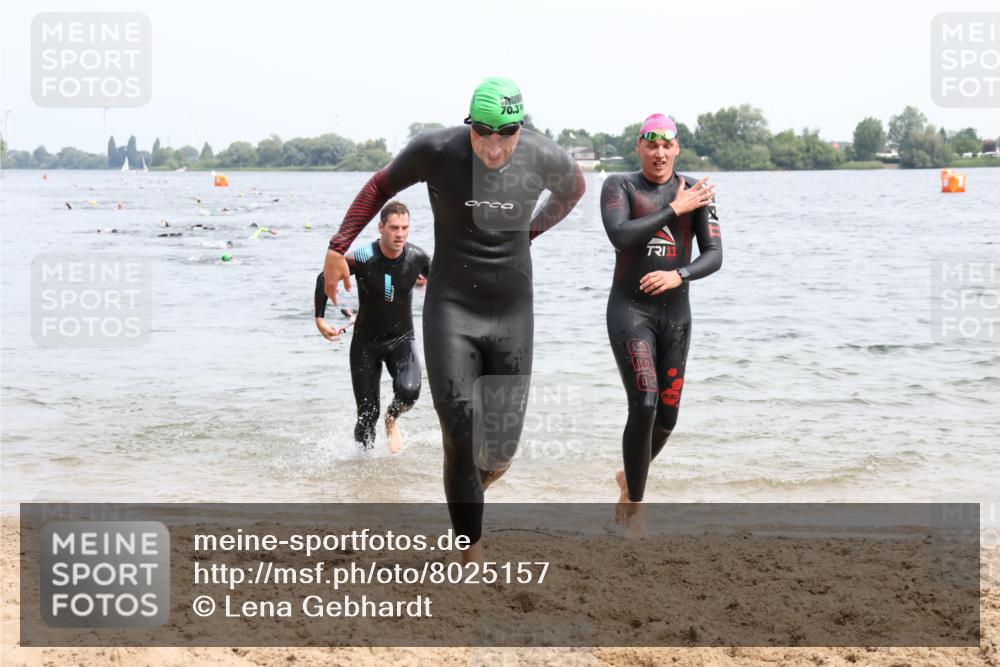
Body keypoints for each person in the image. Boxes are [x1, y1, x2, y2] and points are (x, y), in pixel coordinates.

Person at [322, 77, 586, 562]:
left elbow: (574, 190)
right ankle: (470, 550)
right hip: (452, 310)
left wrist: (530, 232)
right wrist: (338, 246)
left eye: (505, 132)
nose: (493, 144)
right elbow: (380, 184)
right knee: (460, 432)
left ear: (520, 128)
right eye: (482, 131)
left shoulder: (544, 156)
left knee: (500, 451)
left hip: (512, 312)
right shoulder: (437, 150)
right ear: (469, 124)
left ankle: (467, 491)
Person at [601, 114, 722, 539]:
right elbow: (620, 235)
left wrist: (680, 275)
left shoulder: (699, 191)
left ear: (677, 148)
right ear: (640, 147)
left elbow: (714, 255)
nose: (660, 154)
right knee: (645, 402)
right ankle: (636, 502)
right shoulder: (621, 186)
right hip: (630, 311)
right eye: (652, 146)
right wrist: (675, 208)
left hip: (676, 314)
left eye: (667, 146)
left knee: (668, 418)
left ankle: (628, 478)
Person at [315, 200, 430, 454]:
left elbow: (446, 287)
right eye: (394, 228)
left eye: (405, 228)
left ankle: (392, 420)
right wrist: (320, 318)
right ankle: (362, 467)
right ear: (380, 227)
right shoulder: (364, 256)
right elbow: (325, 277)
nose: (400, 234)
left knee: (409, 392)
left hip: (401, 339)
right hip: (365, 343)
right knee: (367, 415)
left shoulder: (418, 257)